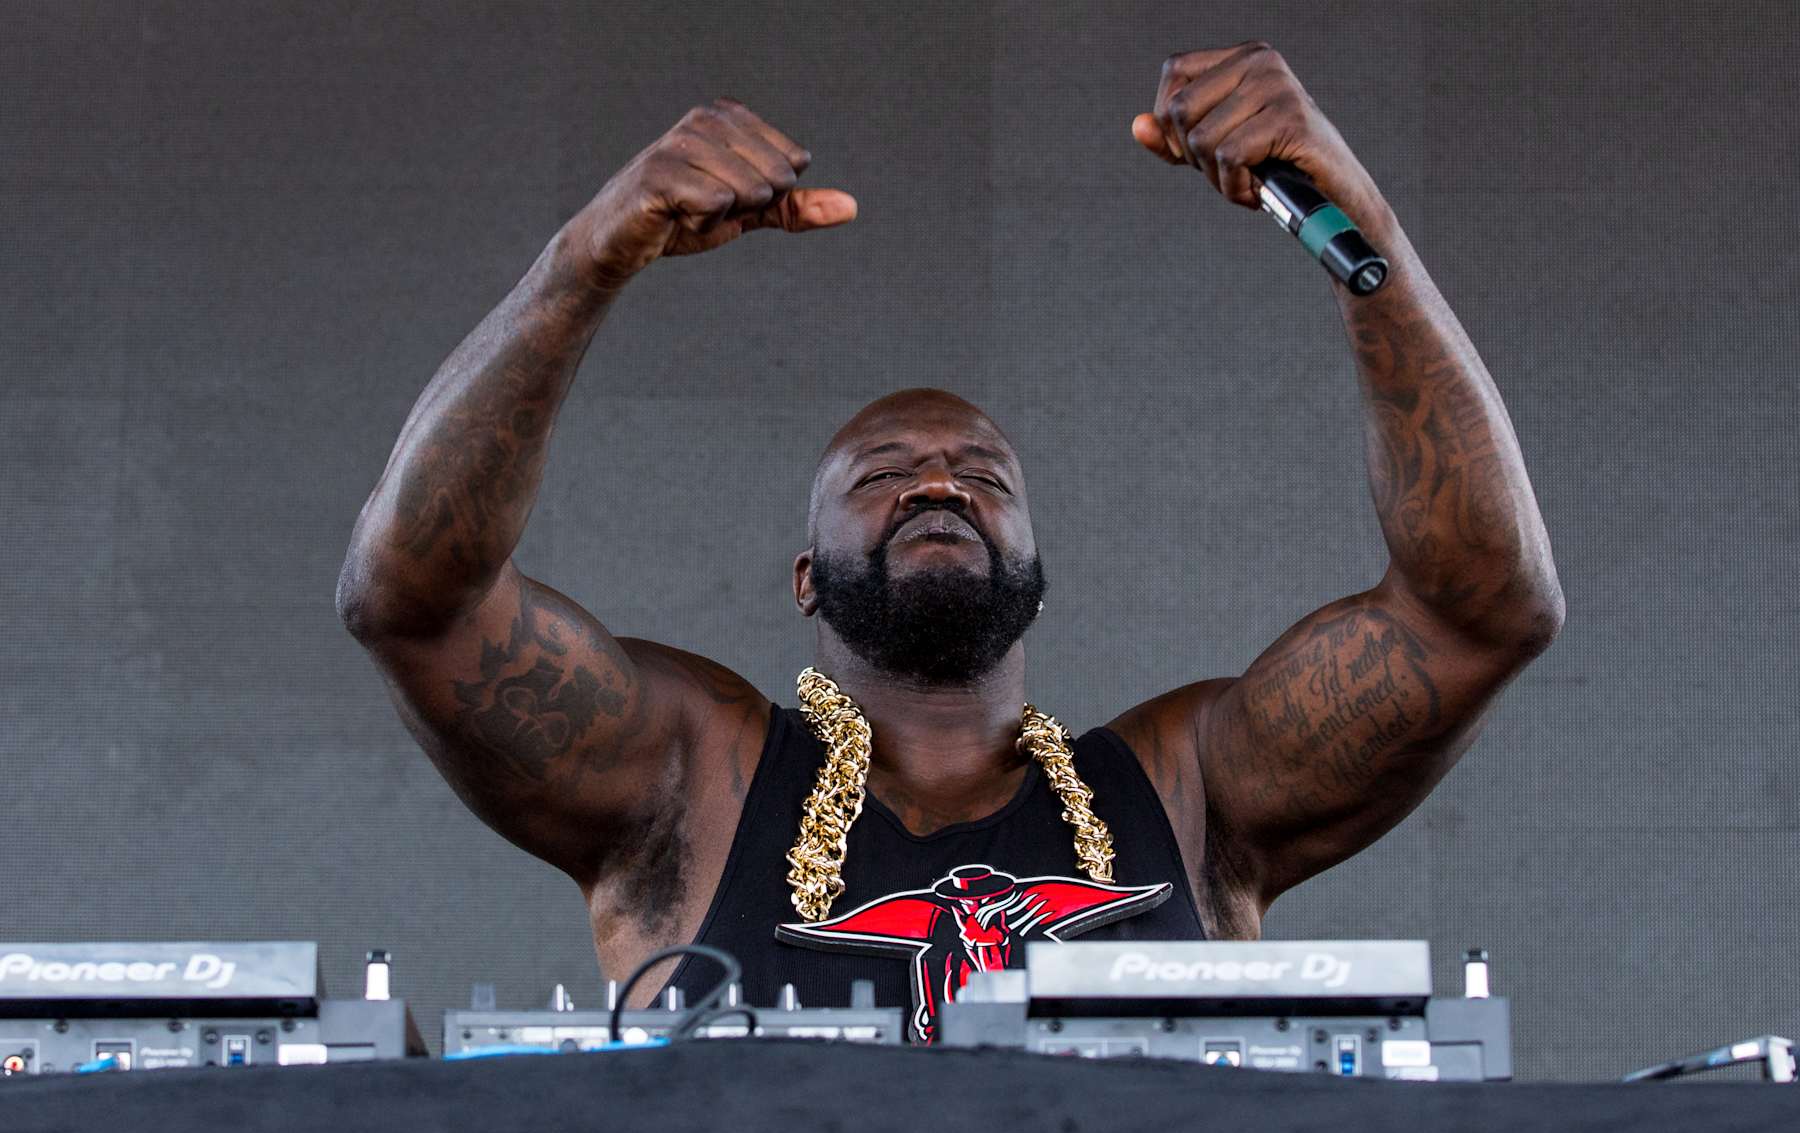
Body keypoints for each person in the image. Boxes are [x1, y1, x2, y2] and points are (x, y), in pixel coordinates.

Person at [336, 44, 1562, 1043]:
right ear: (806, 577)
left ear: (1036, 571)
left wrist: (1365, 221)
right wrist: (585, 259)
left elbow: (1480, 613)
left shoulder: (1194, 784)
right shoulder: (688, 775)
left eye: (984, 476)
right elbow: (416, 601)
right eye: (884, 475)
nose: (938, 480)